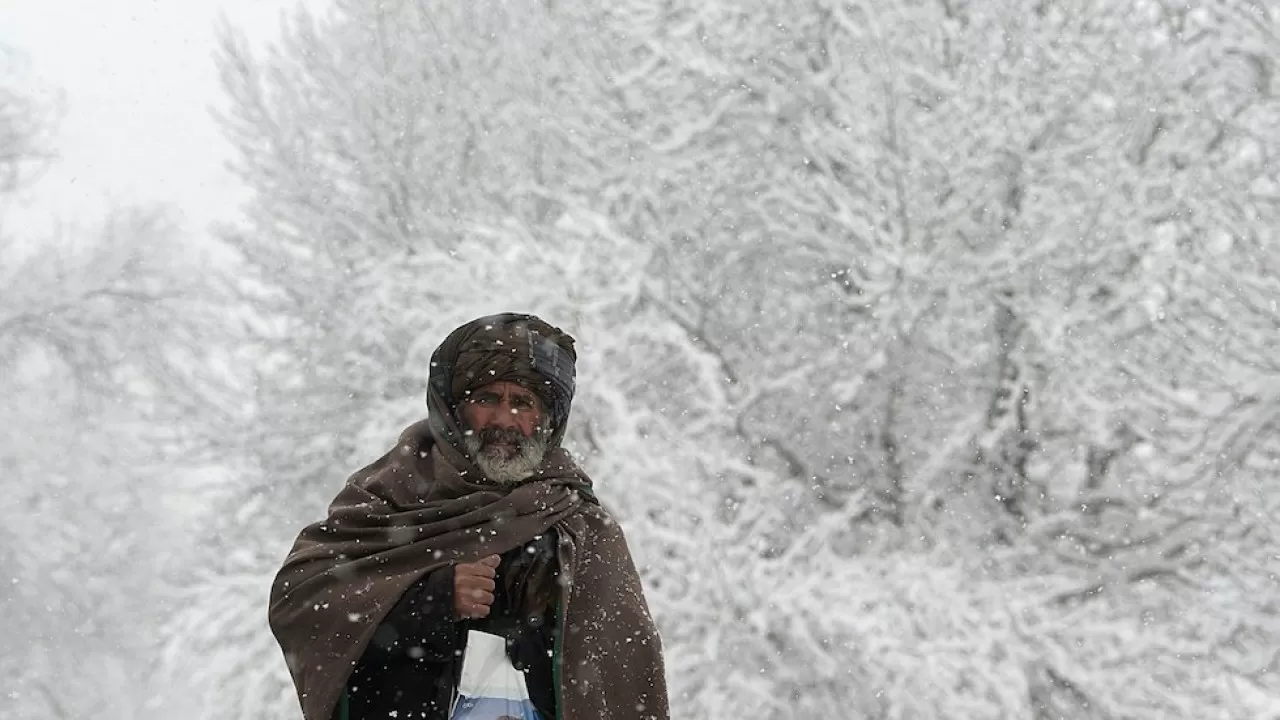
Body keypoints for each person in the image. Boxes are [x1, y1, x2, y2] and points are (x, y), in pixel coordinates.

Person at [268, 313, 668, 720]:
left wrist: (539, 617)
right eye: (487, 399)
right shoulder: (393, 494)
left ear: (547, 420)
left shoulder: (580, 525)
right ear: (453, 409)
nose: (504, 420)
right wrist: (432, 601)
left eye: (523, 403)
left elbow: (623, 671)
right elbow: (302, 602)